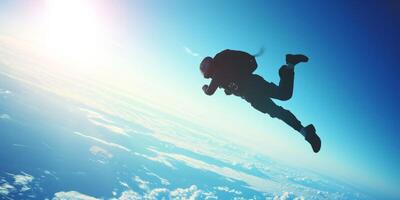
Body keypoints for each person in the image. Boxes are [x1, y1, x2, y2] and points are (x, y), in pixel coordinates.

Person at [200, 49, 321, 153]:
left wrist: (204, 88)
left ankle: (306, 133)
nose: (211, 78)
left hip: (252, 94)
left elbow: (210, 91)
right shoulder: (224, 71)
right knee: (284, 95)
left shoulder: (218, 73)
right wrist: (230, 89)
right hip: (255, 83)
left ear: (209, 69)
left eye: (209, 76)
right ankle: (289, 65)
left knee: (277, 111)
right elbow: (234, 80)